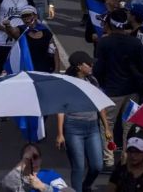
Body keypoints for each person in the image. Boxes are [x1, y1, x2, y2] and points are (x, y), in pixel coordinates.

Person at [93, 10, 143, 167]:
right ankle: (125, 159)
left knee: (106, 126)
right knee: (128, 127)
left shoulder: (104, 43)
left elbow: (98, 69)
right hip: (132, 92)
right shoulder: (135, 43)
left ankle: (108, 160)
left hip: (111, 92)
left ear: (110, 24)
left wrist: (101, 84)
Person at [56, 51, 109, 192]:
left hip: (92, 128)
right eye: (89, 64)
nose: (92, 66)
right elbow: (61, 109)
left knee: (97, 166)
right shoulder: (66, 84)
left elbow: (101, 104)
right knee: (78, 167)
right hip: (73, 129)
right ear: (79, 66)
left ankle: (86, 185)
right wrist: (60, 133)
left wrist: (107, 128)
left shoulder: (93, 81)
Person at [2, 144, 69, 192]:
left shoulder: (50, 175)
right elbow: (6, 184)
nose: (32, 160)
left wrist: (42, 187)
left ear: (40, 159)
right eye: (28, 158)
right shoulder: (16, 178)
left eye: (35, 157)